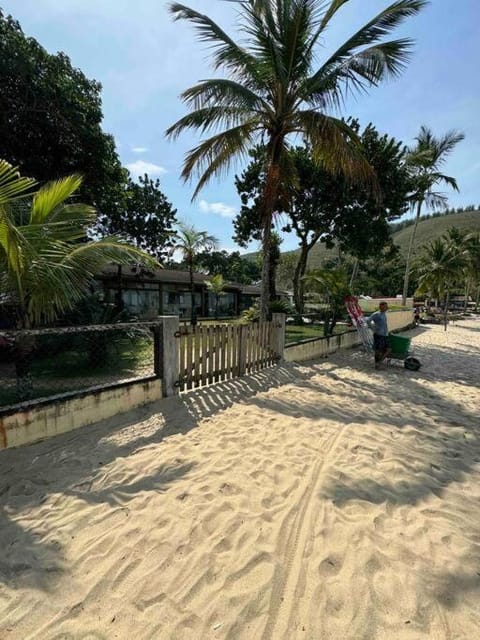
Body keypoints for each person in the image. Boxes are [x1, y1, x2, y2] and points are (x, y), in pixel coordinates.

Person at [367, 301, 390, 369]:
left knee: (389, 349)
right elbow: (368, 320)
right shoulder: (377, 314)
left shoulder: (384, 314)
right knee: (378, 351)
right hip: (379, 335)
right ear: (381, 306)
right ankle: (377, 365)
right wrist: (373, 328)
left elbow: (384, 324)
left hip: (385, 334)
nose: (386, 307)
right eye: (385, 306)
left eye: (386, 306)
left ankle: (379, 362)